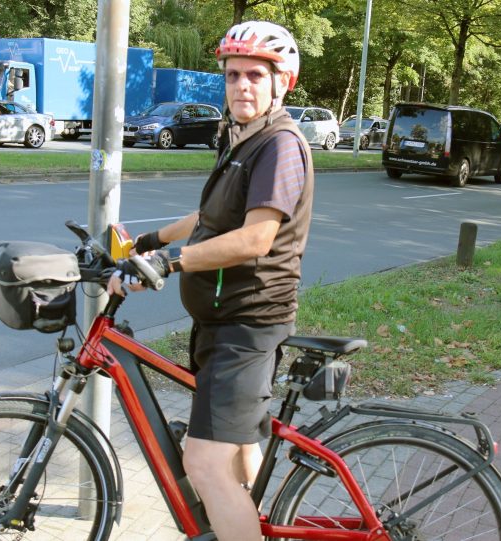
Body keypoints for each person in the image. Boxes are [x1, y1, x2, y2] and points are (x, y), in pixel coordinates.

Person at [108, 20, 314, 541]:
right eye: (232, 75)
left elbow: (253, 240)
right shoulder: (241, 139)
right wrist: (147, 243)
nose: (241, 85)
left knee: (203, 463)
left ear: (280, 82)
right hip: (221, 322)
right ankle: (250, 524)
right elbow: (208, 219)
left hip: (247, 326)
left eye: (254, 76)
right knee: (238, 453)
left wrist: (171, 263)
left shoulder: (280, 145)